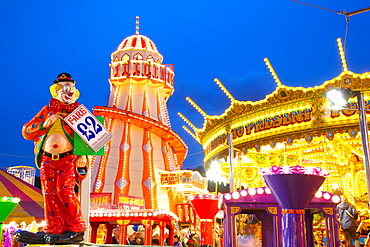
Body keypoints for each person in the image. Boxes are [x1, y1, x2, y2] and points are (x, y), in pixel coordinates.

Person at [15, 73, 88, 245]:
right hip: (47, 160)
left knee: (65, 191)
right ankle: (54, 228)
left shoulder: (78, 113)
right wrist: (44, 124)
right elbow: (27, 131)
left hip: (68, 158)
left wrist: (83, 154)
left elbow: (92, 137)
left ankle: (75, 228)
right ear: (56, 91)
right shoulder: (47, 111)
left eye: (70, 87)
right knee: (49, 193)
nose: (67, 90)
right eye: (63, 87)